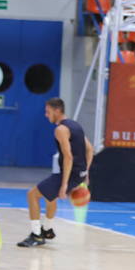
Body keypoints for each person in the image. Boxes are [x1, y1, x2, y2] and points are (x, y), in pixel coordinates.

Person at [17, 98, 93, 248]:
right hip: (79, 173)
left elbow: (68, 156)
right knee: (49, 196)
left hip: (70, 173)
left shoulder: (60, 130)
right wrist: (86, 173)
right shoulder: (75, 125)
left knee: (32, 195)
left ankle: (36, 235)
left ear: (57, 111)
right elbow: (90, 149)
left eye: (48, 112)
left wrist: (64, 185)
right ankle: (48, 229)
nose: (46, 115)